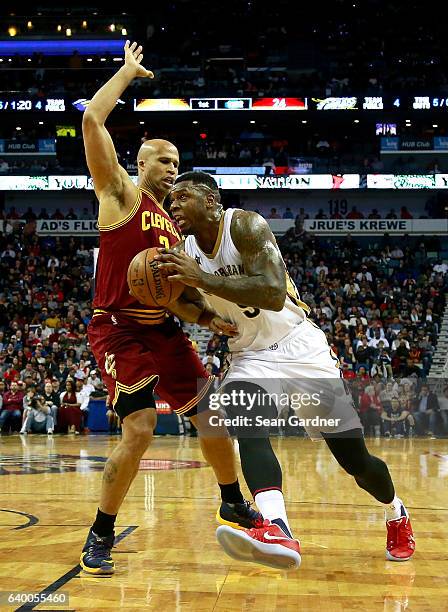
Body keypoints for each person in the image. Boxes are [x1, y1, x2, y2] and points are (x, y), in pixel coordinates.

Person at [156, 171, 415, 569]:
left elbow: (274, 293)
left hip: (300, 347)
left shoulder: (243, 225)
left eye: (182, 196)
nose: (173, 204)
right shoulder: (182, 250)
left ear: (210, 201)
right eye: (170, 199)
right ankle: (277, 527)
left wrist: (203, 279)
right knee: (246, 426)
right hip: (248, 353)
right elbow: (183, 299)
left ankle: (395, 510)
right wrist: (206, 318)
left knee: (355, 461)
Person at [79, 41, 261, 575]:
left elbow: (176, 298)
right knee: (139, 428)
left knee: (211, 414)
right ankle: (101, 532)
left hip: (163, 331)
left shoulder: (174, 228)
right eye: (164, 160)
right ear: (140, 163)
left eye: (178, 163)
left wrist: (208, 318)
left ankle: (231, 499)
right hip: (118, 331)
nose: (172, 168)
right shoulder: (118, 194)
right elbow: (92, 118)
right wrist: (126, 74)